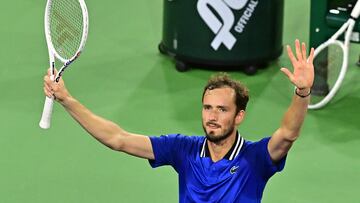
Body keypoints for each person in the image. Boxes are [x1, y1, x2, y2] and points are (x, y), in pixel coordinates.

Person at [43, 39, 314, 202]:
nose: (212, 116)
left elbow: (288, 134)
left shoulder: (255, 158)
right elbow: (118, 139)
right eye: (207, 108)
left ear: (239, 116)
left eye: (222, 109)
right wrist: (67, 100)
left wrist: (302, 92)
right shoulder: (183, 150)